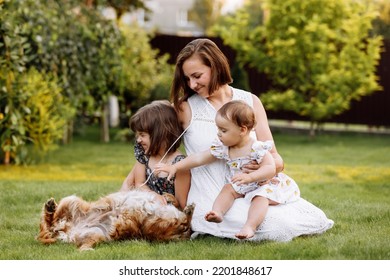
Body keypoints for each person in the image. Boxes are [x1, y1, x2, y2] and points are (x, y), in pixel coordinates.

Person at [122, 38, 333, 241]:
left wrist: (258, 170)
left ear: (215, 66)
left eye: (197, 76)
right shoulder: (184, 107)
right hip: (211, 195)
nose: (192, 84)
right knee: (275, 226)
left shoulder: (251, 102)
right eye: (187, 79)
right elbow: (152, 138)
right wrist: (132, 184)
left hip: (250, 188)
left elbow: (277, 159)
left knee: (305, 218)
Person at [156, 100, 300, 239]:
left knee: (260, 199)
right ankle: (217, 212)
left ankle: (250, 226)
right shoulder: (223, 147)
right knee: (227, 189)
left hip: (261, 184)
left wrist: (251, 177)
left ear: (242, 130)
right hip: (242, 183)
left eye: (223, 130)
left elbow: (270, 168)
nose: (218, 134)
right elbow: (199, 158)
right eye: (218, 129)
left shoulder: (257, 147)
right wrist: (174, 167)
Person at [120, 100, 190, 210]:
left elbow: (181, 205)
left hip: (165, 214)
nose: (138, 140)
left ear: (161, 134)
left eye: (142, 135)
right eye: (138, 135)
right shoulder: (145, 154)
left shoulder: (179, 164)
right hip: (143, 206)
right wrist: (152, 195)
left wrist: (163, 201)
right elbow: (139, 183)